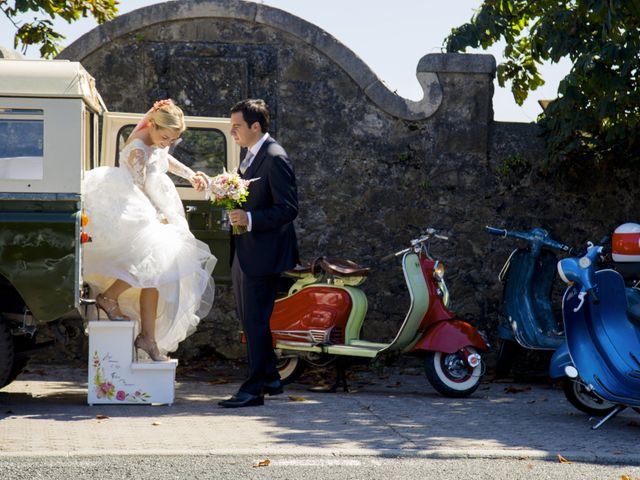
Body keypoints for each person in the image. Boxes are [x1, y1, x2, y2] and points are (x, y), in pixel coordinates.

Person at [83, 99, 217, 361]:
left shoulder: (157, 141)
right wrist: (159, 216)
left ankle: (148, 337)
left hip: (157, 205)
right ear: (152, 125)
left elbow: (166, 159)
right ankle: (110, 297)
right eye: (164, 136)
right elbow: (138, 187)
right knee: (154, 265)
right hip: (139, 209)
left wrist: (191, 175)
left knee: (156, 275)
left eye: (172, 139)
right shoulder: (137, 149)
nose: (166, 143)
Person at [212, 99, 299, 408]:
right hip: (246, 251)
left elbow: (288, 209)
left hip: (265, 253)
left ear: (255, 126)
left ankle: (253, 390)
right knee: (251, 320)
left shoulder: (275, 157)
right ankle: (272, 379)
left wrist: (249, 219)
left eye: (236, 126)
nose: (232, 131)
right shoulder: (249, 154)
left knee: (255, 322)